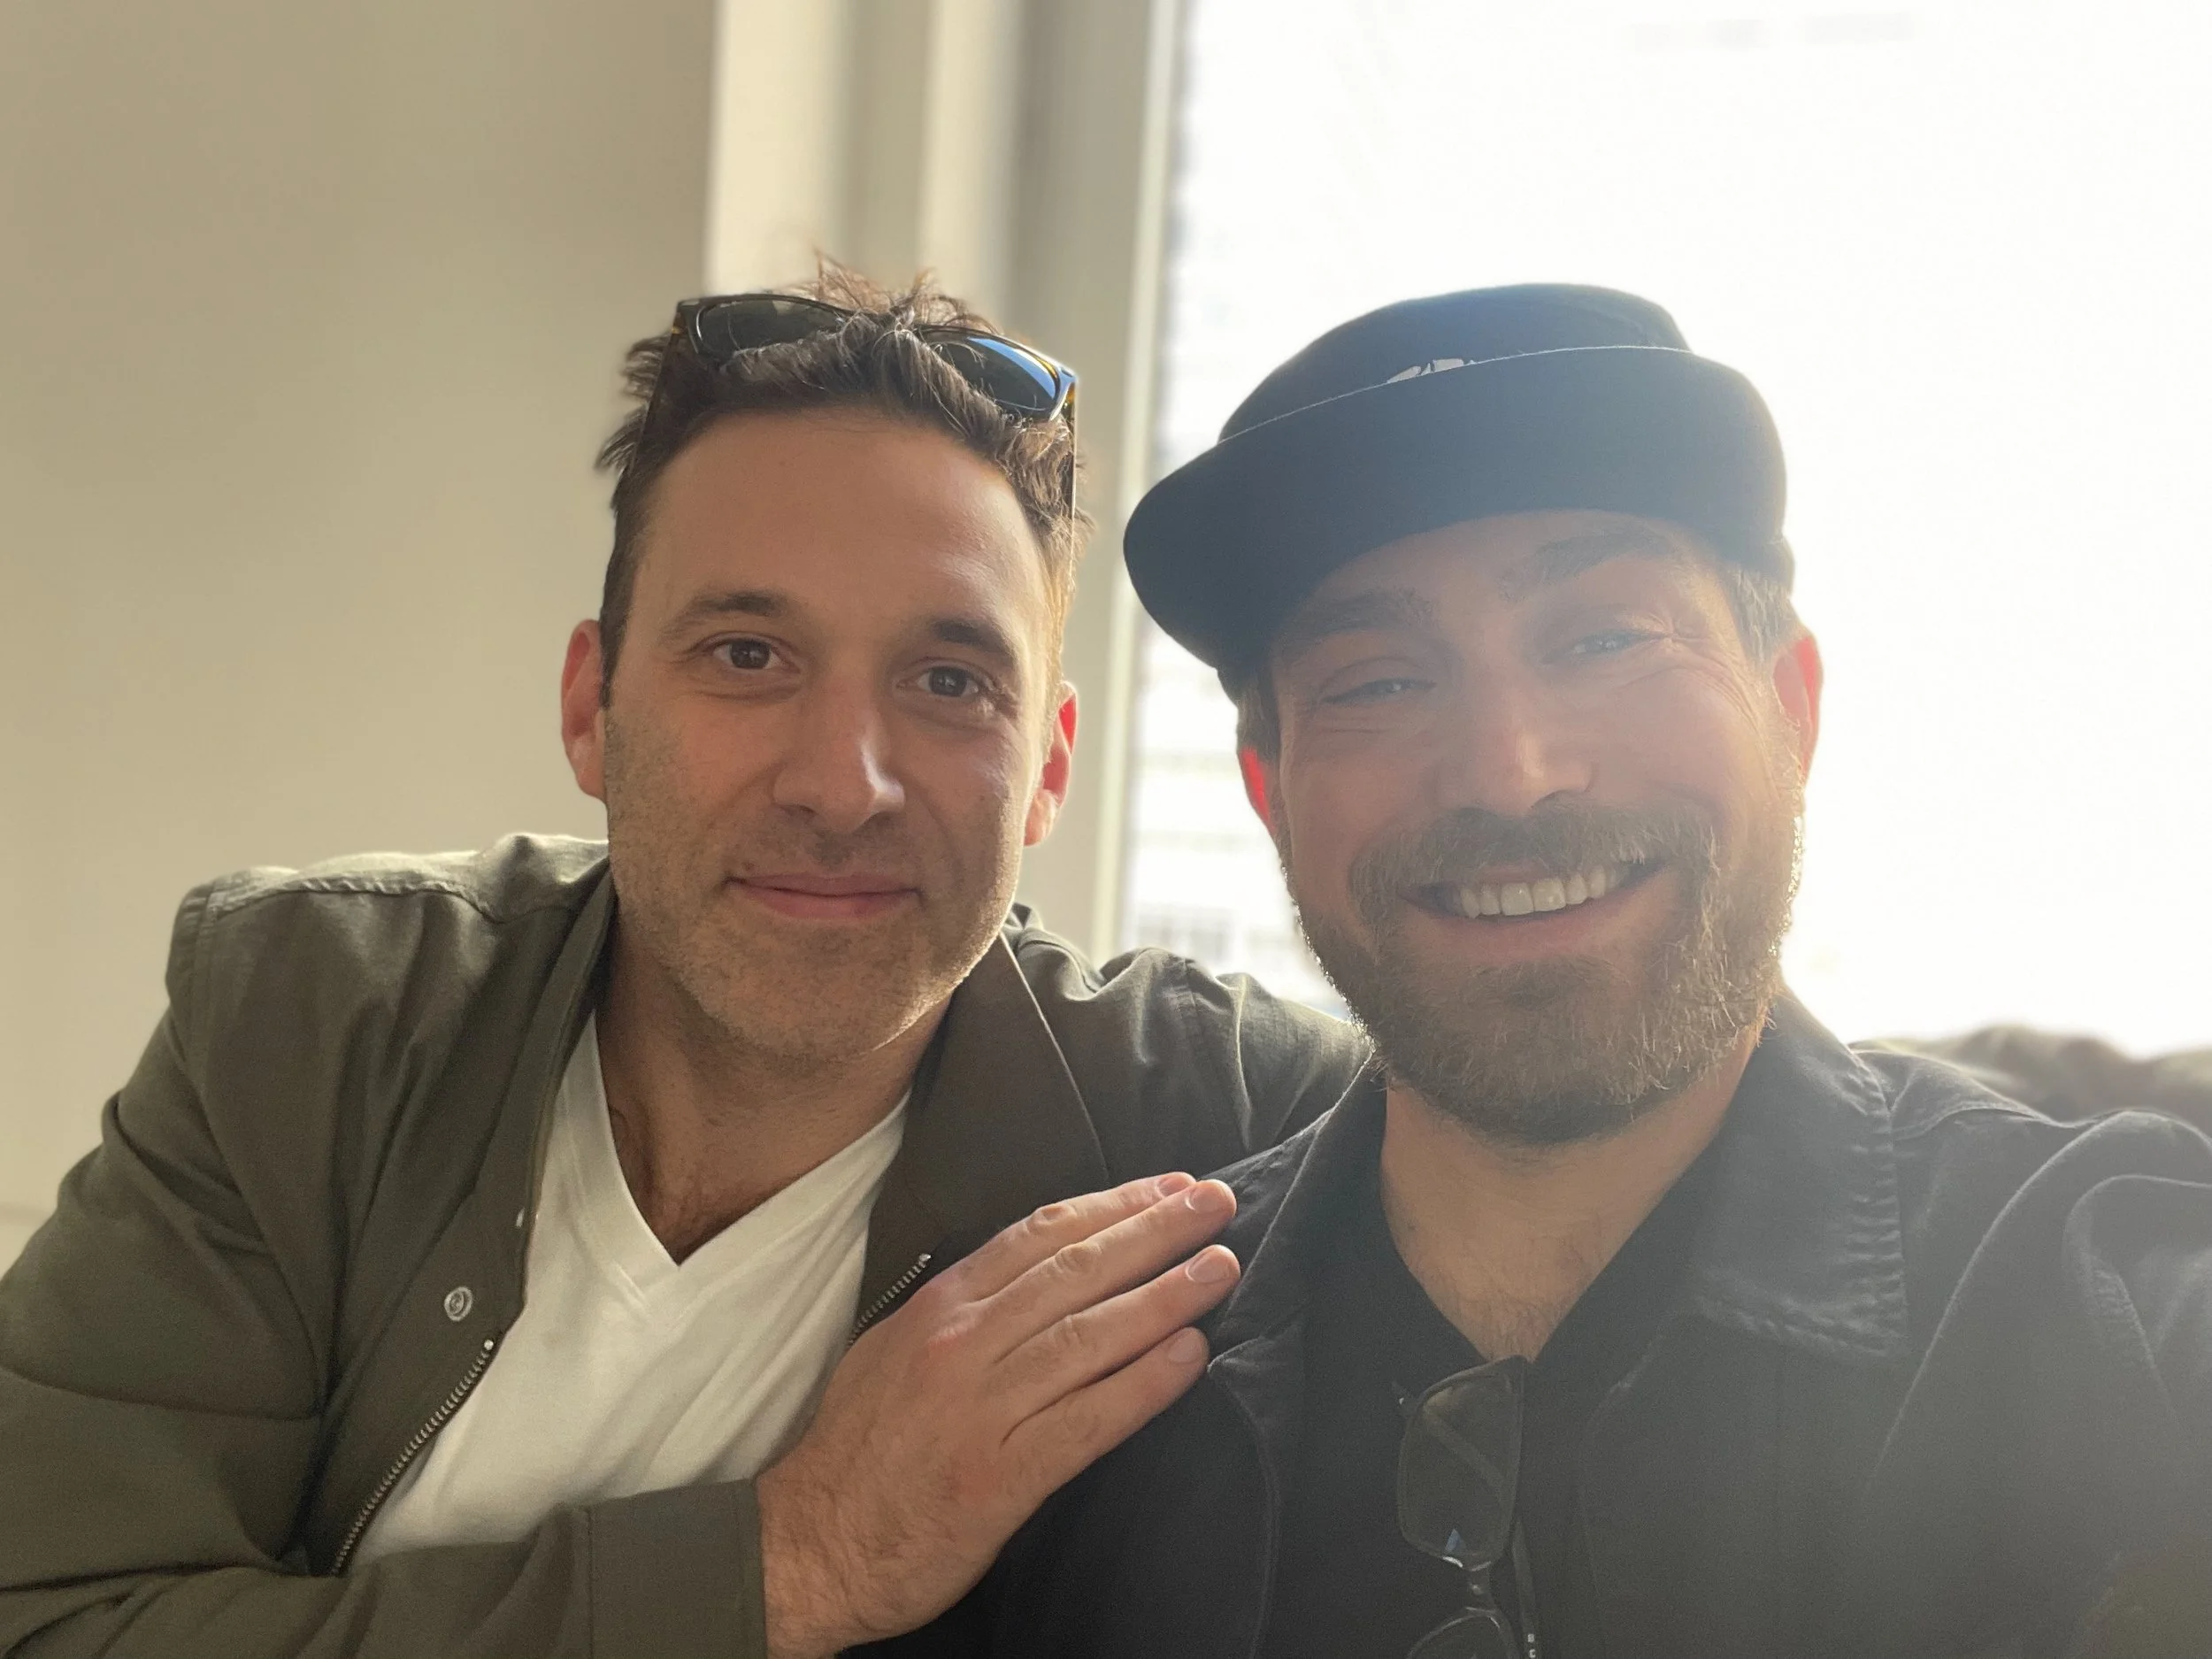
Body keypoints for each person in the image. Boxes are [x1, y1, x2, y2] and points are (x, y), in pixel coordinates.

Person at [0, 272, 1369, 1659]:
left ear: (1048, 768)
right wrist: (795, 1558)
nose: (844, 785)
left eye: (950, 681)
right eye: (749, 653)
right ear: (593, 708)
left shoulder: (1223, 1117)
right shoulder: (320, 1020)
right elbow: (51, 1612)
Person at [932, 284, 2212, 1658]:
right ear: (1270, 787)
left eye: (1604, 638)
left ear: (1790, 705)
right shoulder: (1082, 1414)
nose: (1510, 772)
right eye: (1378, 680)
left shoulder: (2108, 1308)